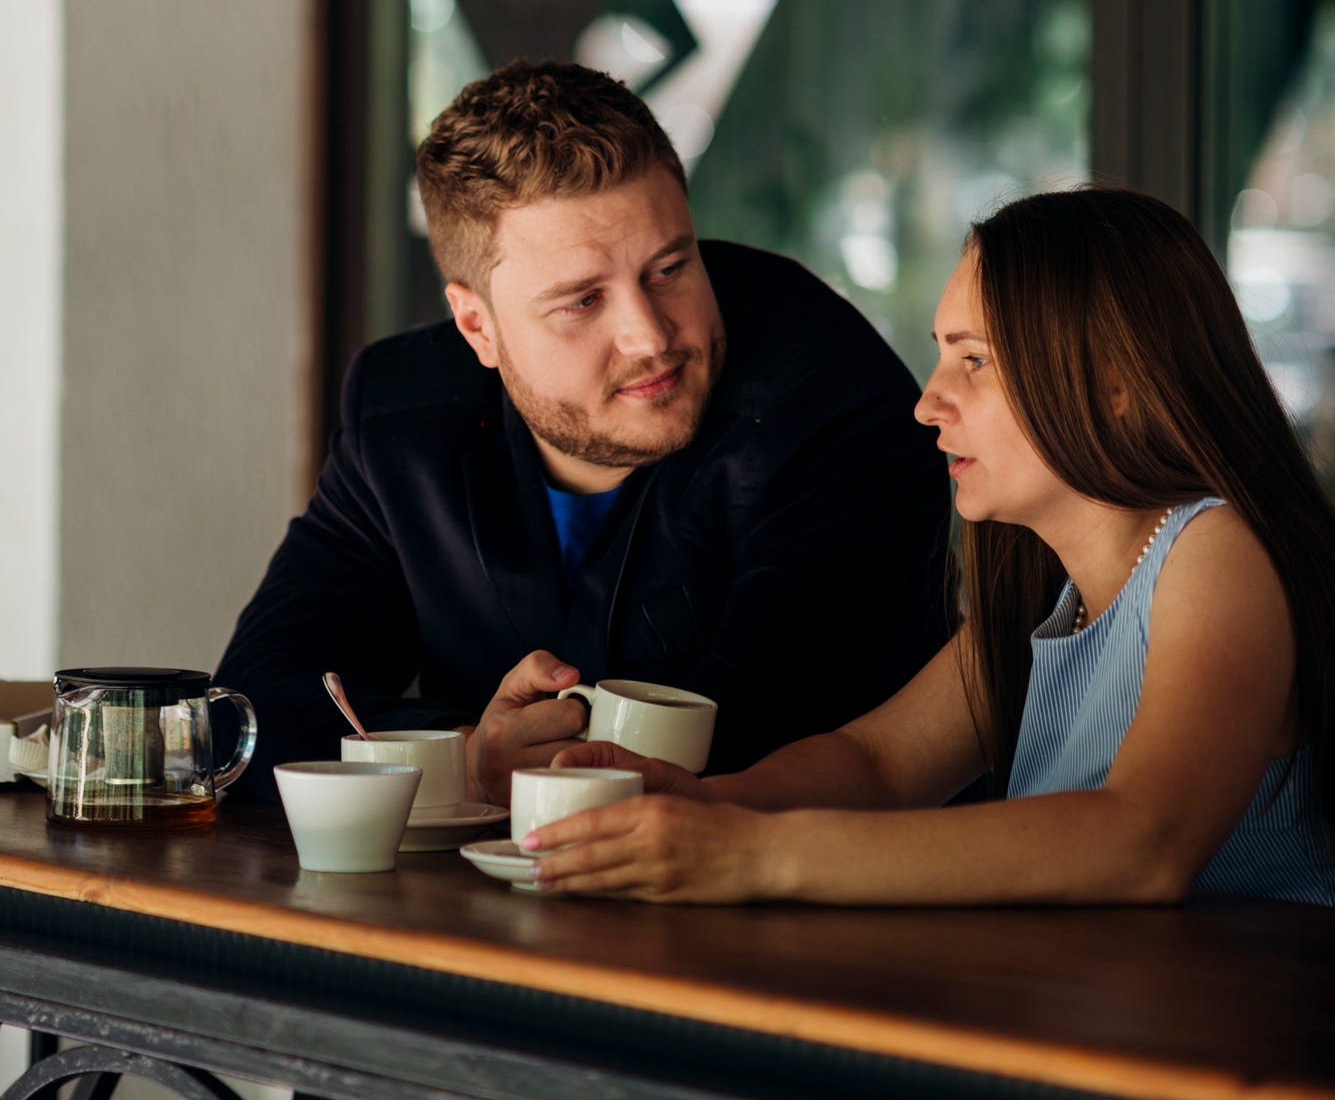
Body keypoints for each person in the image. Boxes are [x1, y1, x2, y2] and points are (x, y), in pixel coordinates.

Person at [527, 185, 1335, 905]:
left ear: (1112, 383)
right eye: (942, 355)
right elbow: (877, 766)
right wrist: (705, 803)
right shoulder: (1050, 595)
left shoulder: (1214, 553)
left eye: (974, 360)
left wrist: (753, 855)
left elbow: (1142, 842)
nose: (927, 404)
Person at [217, 61, 952, 800]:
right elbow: (251, 709)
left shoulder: (825, 397)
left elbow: (747, 741)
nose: (650, 336)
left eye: (669, 268)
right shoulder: (403, 412)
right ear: (477, 326)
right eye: (582, 301)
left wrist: (483, 768)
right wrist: (465, 755)